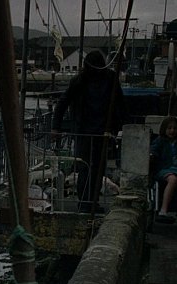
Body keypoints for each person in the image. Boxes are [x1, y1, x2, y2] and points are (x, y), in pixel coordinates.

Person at [50, 50, 126, 213]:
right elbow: (63, 103)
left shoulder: (109, 79)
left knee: (96, 168)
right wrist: (56, 126)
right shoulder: (80, 81)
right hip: (84, 131)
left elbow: (119, 103)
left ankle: (92, 202)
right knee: (86, 168)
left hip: (102, 131)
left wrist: (117, 126)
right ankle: (86, 202)